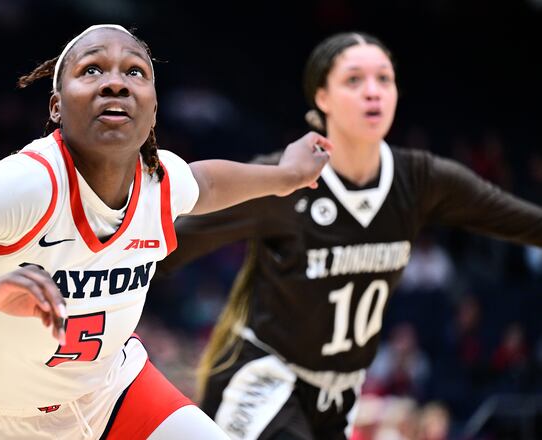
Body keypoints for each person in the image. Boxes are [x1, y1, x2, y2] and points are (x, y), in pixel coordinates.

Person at [0, 24, 333, 439]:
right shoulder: (23, 184)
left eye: (135, 72)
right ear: (56, 105)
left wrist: (287, 175)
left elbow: (206, 181)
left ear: (153, 109)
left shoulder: (160, 180)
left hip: (109, 391)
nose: (116, 82)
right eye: (92, 70)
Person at [159, 32, 542, 440]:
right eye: (355, 80)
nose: (373, 92)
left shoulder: (421, 179)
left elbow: (520, 219)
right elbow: (161, 248)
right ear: (322, 97)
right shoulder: (283, 179)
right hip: (266, 380)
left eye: (384, 79)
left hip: (340, 394)